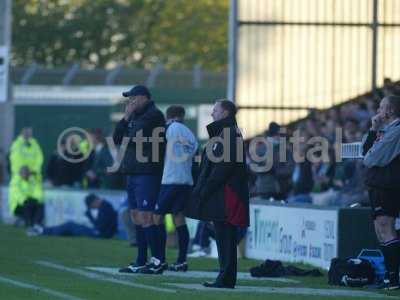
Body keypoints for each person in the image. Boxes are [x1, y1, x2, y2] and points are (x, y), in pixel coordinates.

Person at [185, 99, 249, 289]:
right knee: (222, 234)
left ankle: (226, 278)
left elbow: (223, 167)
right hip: (221, 191)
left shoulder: (229, 134)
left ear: (225, 113)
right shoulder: (224, 133)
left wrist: (206, 188)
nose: (212, 114)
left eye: (215, 110)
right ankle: (224, 276)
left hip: (226, 192)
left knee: (226, 234)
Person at [113, 85, 166, 274]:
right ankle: (141, 260)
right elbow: (117, 137)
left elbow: (134, 137)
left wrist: (129, 124)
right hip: (133, 171)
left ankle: (158, 260)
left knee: (147, 215)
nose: (130, 102)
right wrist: (126, 118)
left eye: (133, 98)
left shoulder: (154, 115)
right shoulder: (134, 116)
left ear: (143, 98)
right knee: (136, 215)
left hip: (148, 171)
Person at [152, 105, 198, 272]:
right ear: (183, 116)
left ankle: (160, 259)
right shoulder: (190, 134)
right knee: (179, 218)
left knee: (156, 217)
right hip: (186, 180)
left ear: (168, 116)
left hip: (170, 179)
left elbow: (156, 150)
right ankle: (181, 261)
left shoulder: (168, 128)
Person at [362, 95, 400, 290]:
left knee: (386, 228)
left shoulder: (396, 131)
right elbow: (364, 151)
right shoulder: (383, 130)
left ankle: (393, 278)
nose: (378, 110)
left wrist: (370, 153)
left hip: (388, 187)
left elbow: (371, 158)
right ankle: (389, 276)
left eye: (381, 107)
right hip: (377, 186)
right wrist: (372, 130)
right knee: (380, 231)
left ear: (391, 110)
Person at [27, 194, 117, 239]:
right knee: (69, 228)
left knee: (70, 225)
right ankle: (43, 230)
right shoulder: (106, 206)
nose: (92, 208)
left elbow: (99, 226)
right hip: (101, 233)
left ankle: (42, 230)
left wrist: (89, 216)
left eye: (91, 206)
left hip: (100, 234)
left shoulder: (105, 207)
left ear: (95, 201)